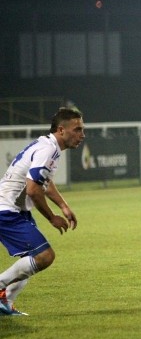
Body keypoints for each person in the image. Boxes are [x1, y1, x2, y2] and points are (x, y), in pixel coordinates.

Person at [0, 107, 85, 315]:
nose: (82, 135)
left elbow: (44, 182)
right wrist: (51, 217)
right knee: (44, 256)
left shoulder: (49, 146)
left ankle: (5, 303)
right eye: (77, 129)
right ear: (61, 130)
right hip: (6, 210)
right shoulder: (48, 149)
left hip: (16, 210)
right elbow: (33, 189)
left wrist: (63, 206)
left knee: (32, 257)